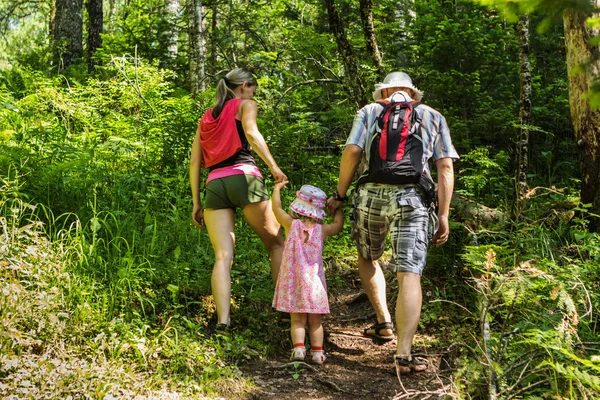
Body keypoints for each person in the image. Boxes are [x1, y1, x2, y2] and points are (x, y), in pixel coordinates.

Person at [326, 71, 459, 374]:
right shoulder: (432, 116)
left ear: (384, 93)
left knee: (367, 256)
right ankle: (404, 353)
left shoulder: (370, 111)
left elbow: (353, 151)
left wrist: (340, 194)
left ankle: (384, 321)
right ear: (413, 94)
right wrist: (443, 214)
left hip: (370, 196)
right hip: (414, 199)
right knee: (409, 274)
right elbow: (445, 166)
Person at [190, 68, 287, 335]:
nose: (255, 94)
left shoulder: (206, 117)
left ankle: (223, 321)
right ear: (244, 86)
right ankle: (285, 312)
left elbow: (195, 162)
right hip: (245, 176)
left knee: (223, 256)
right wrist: (274, 168)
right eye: (254, 89)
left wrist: (196, 202)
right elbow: (252, 134)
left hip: (215, 185)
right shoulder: (245, 104)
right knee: (277, 243)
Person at [272, 182, 343, 365]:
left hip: (293, 281)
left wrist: (277, 189)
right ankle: (318, 353)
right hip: (314, 284)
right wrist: (337, 209)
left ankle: (298, 349)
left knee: (297, 320)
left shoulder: (290, 224)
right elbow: (338, 226)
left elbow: (276, 208)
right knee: (315, 321)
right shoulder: (322, 230)